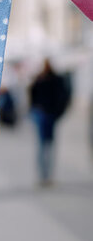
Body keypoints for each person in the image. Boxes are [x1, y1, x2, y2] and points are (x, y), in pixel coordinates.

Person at [29, 59, 71, 187]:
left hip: (47, 115)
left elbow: (62, 97)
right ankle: (45, 175)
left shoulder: (48, 80)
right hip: (46, 115)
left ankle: (45, 175)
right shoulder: (43, 79)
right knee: (46, 146)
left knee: (45, 146)